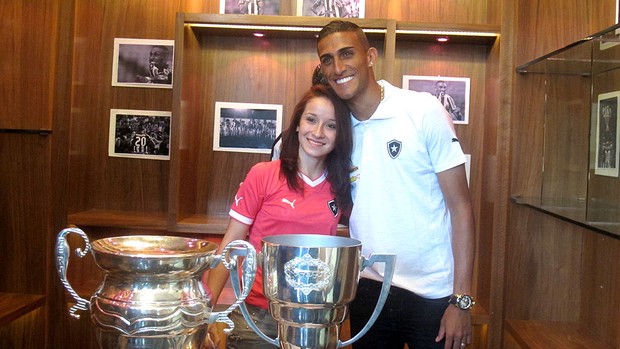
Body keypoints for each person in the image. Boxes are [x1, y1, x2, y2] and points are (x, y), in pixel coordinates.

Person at [316, 20, 476, 349]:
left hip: (433, 293)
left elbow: (461, 208)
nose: (338, 66)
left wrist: (461, 300)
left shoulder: (422, 110)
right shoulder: (337, 128)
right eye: (328, 59)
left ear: (371, 56)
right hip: (369, 290)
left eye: (347, 54)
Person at [202, 84, 353, 349]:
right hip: (259, 317)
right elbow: (231, 245)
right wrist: (206, 313)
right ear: (297, 124)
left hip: (316, 318)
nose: (318, 132)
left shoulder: (342, 185)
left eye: (331, 126)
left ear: (340, 135)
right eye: (311, 120)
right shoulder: (264, 174)